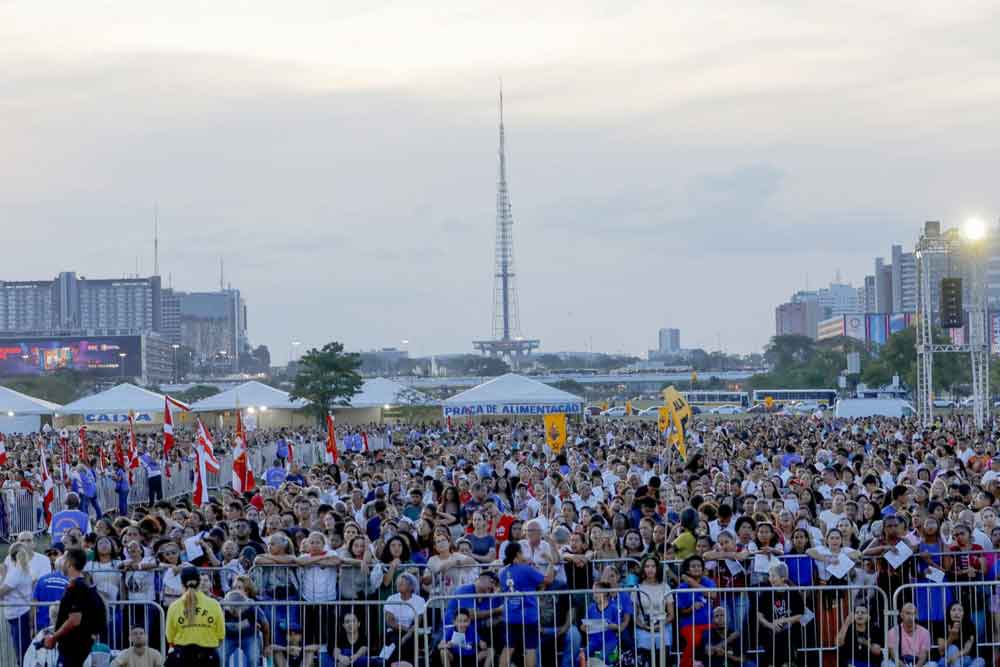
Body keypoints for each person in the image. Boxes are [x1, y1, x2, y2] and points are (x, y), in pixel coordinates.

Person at [44, 548, 105, 667]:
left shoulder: (77, 586)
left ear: (69, 563)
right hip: (77, 644)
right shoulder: (83, 585)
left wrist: (54, 637)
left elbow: (75, 620)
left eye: (63, 558)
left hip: (74, 645)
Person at [164, 566, 225, 666]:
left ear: (182, 584)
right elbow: (221, 635)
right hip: (208, 656)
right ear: (200, 582)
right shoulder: (214, 604)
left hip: (182, 656)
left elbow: (170, 637)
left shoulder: (174, 607)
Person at [0, 543, 34, 659]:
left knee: (21, 650)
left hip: (18, 614)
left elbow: (1, 592)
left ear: (10, 556)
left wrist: (3, 575)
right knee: (23, 647)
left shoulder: (15, 573)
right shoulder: (24, 570)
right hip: (19, 613)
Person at [886, 603, 931, 667]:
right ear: (901, 615)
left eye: (913, 614)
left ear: (916, 616)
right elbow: (894, 655)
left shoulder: (925, 632)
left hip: (918, 662)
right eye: (908, 613)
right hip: (900, 662)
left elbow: (923, 655)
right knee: (886, 664)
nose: (910, 617)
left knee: (932, 664)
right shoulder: (893, 632)